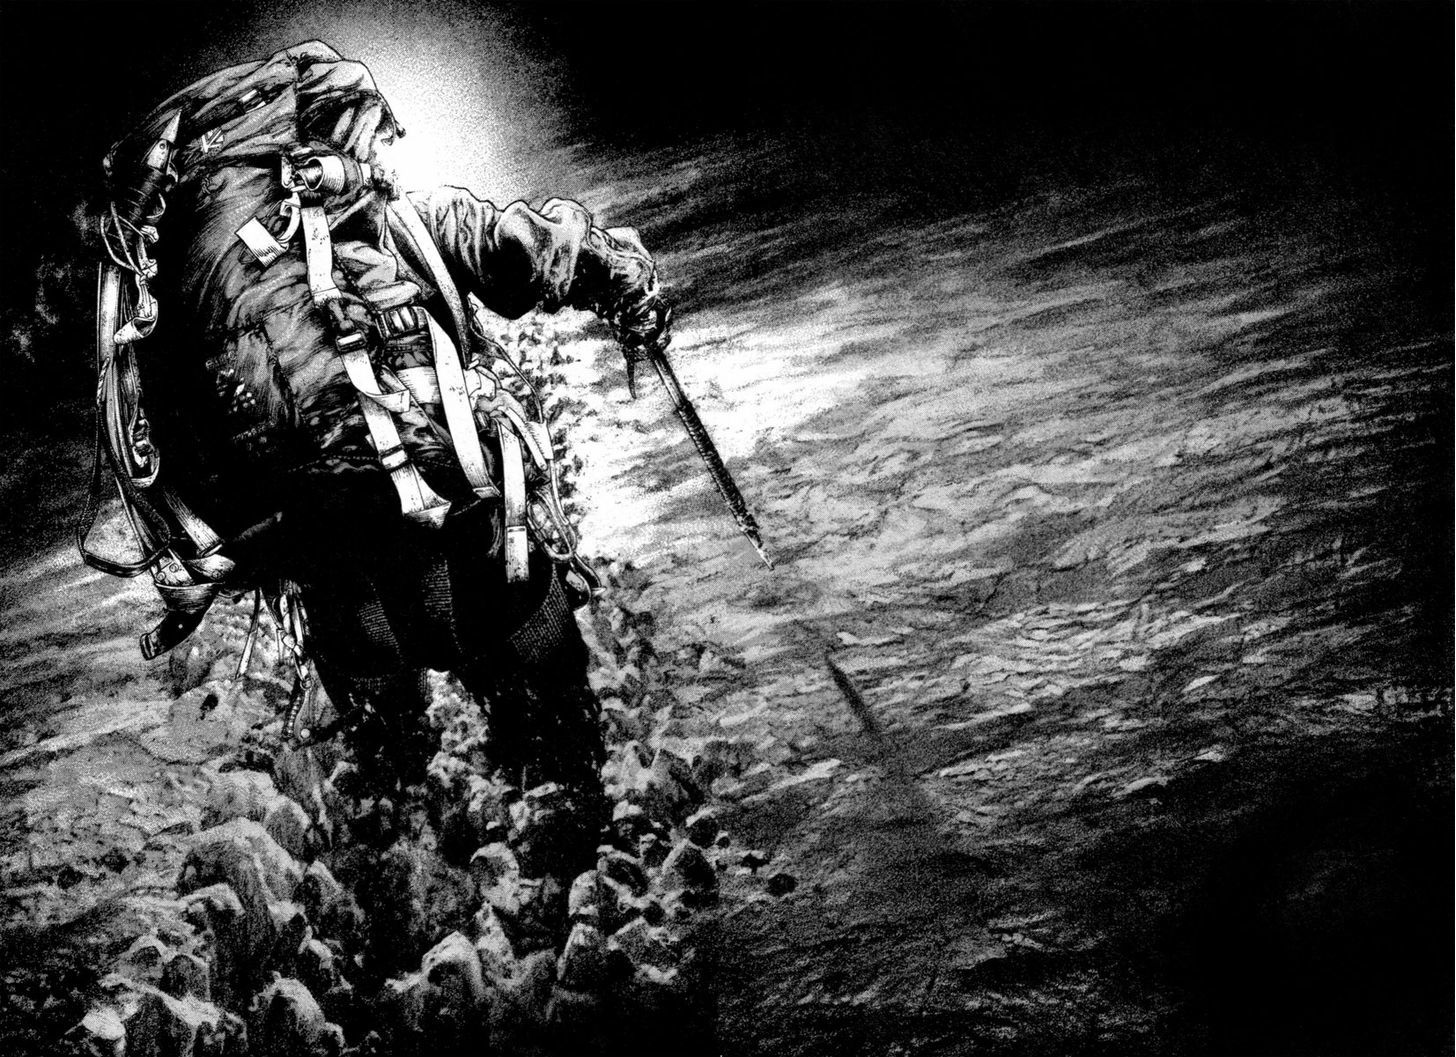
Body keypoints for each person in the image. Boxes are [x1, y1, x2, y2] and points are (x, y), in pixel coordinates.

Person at [94, 41, 670, 870]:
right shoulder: (407, 227)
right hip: (460, 535)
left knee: (394, 802)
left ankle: (402, 888)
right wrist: (624, 278)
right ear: (337, 145)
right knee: (555, 747)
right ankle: (587, 865)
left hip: (327, 572)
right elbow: (524, 244)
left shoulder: (195, 297)